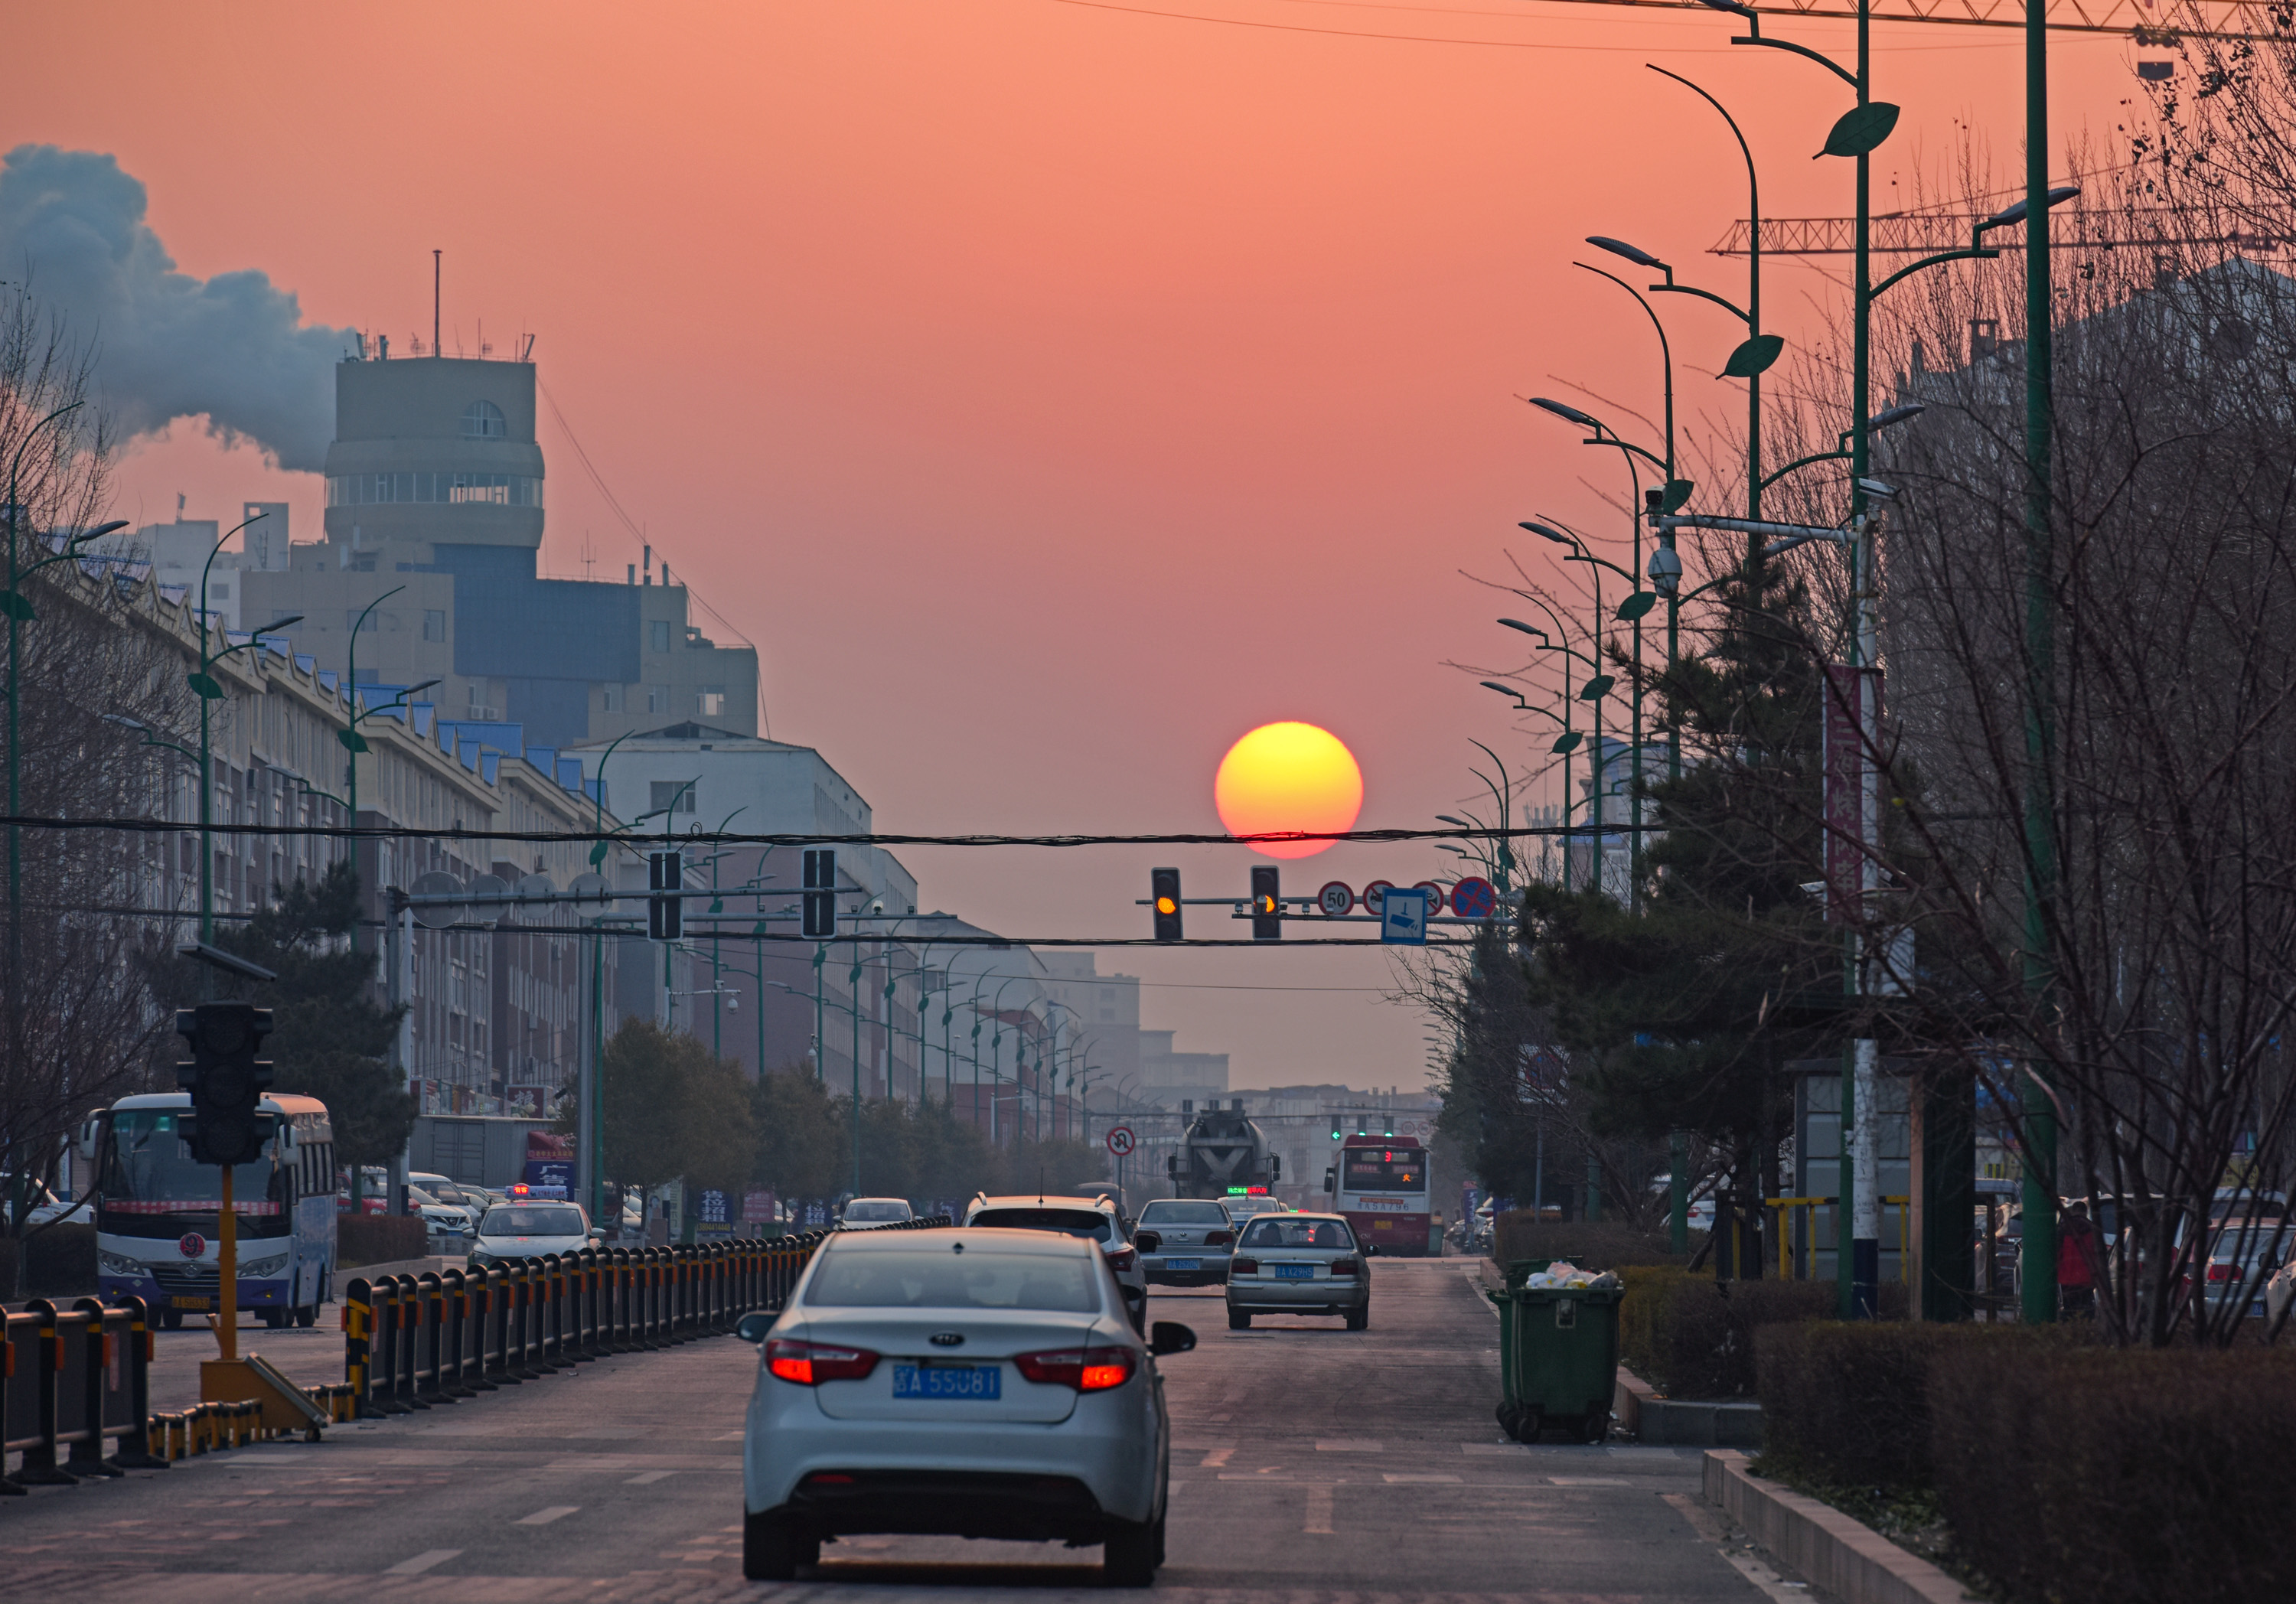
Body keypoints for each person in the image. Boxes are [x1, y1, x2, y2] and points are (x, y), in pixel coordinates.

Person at [2057, 1200, 2100, 1317]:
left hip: (2067, 1279)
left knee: (2069, 1311)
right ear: (2086, 1213)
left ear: (2073, 1212)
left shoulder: (2063, 1229)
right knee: (2087, 1313)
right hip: (2087, 1279)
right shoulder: (2093, 1229)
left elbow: (2057, 1254)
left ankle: (2072, 1332)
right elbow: (2098, 1256)